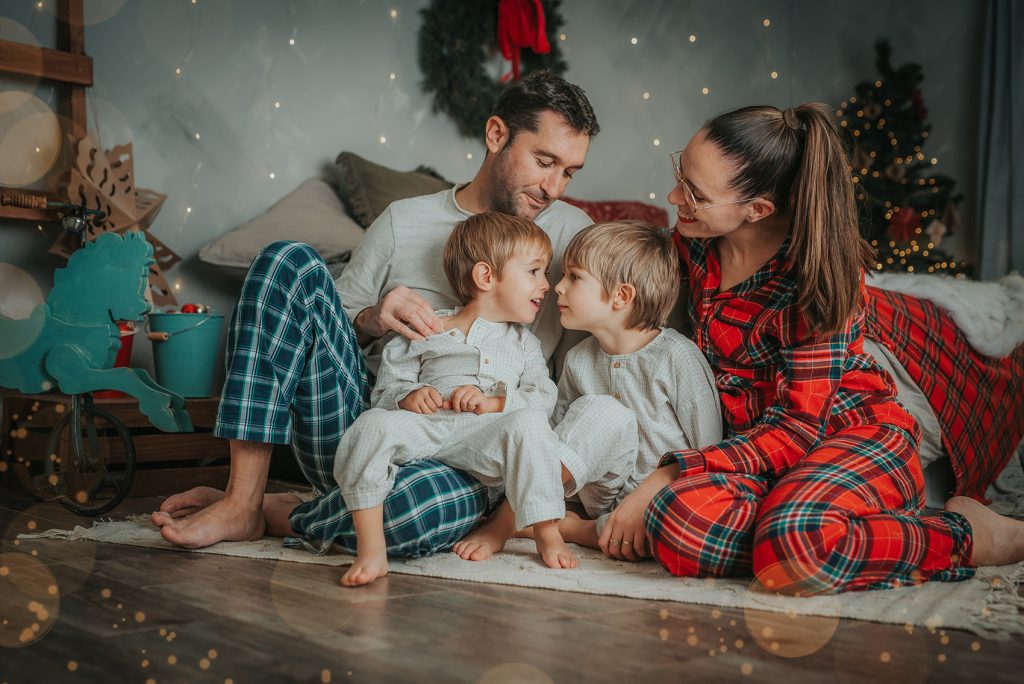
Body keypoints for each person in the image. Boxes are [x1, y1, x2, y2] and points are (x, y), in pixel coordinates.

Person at [150, 69, 600, 554]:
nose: (554, 187)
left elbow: (585, 367)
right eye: (544, 161)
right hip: (373, 425)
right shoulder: (404, 221)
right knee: (286, 260)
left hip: (474, 457)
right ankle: (242, 500)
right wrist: (371, 318)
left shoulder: (573, 235)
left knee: (404, 514)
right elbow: (318, 332)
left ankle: (280, 512)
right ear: (496, 135)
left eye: (569, 172)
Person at [604, 102, 1024, 593]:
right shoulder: (695, 244)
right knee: (678, 522)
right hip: (762, 454)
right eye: (681, 173)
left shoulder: (816, 281)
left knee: (794, 554)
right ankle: (801, 532)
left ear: (757, 210)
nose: (675, 196)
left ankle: (968, 535)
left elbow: (799, 427)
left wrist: (673, 471)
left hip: (850, 438)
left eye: (695, 193)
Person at [452, 221, 723, 561]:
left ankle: (574, 530)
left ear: (621, 296)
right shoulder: (578, 360)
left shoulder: (677, 357)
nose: (557, 288)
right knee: (603, 411)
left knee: (684, 529)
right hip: (598, 492)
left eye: (574, 277)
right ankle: (508, 521)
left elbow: (711, 451)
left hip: (659, 500)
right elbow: (559, 444)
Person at [337, 212, 577, 585]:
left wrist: (497, 402)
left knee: (529, 424)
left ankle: (547, 533)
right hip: (428, 429)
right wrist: (409, 397)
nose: (545, 285)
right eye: (534, 271)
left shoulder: (523, 343)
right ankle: (372, 549)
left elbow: (542, 396)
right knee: (371, 425)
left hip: (484, 438)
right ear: (485, 277)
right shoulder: (427, 328)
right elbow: (386, 387)